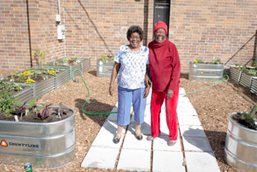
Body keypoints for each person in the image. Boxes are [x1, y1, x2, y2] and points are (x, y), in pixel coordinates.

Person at [109, 25, 150, 144]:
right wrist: (111, 83)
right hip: (124, 86)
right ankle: (119, 131)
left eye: (137, 37)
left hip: (140, 86)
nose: (135, 39)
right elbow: (116, 67)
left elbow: (147, 69)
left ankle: (137, 129)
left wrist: (148, 85)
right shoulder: (122, 49)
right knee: (123, 109)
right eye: (132, 37)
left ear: (141, 38)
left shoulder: (145, 51)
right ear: (128, 38)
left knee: (139, 109)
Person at [147, 21, 180, 146]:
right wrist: (148, 80)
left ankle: (173, 135)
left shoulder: (171, 47)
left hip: (170, 86)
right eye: (157, 31)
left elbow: (176, 68)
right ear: (154, 33)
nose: (159, 34)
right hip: (157, 85)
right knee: (154, 110)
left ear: (165, 32)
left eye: (162, 31)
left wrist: (171, 87)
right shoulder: (150, 46)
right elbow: (148, 65)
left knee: (170, 111)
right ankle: (155, 132)